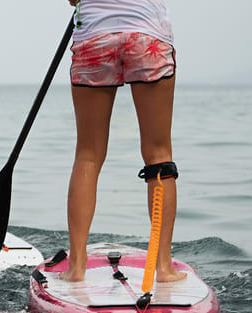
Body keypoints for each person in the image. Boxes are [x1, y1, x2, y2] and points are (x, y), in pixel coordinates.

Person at [60, 0, 186, 283]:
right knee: (158, 154)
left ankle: (77, 267)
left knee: (88, 155)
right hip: (147, 35)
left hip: (94, 36)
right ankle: (163, 267)